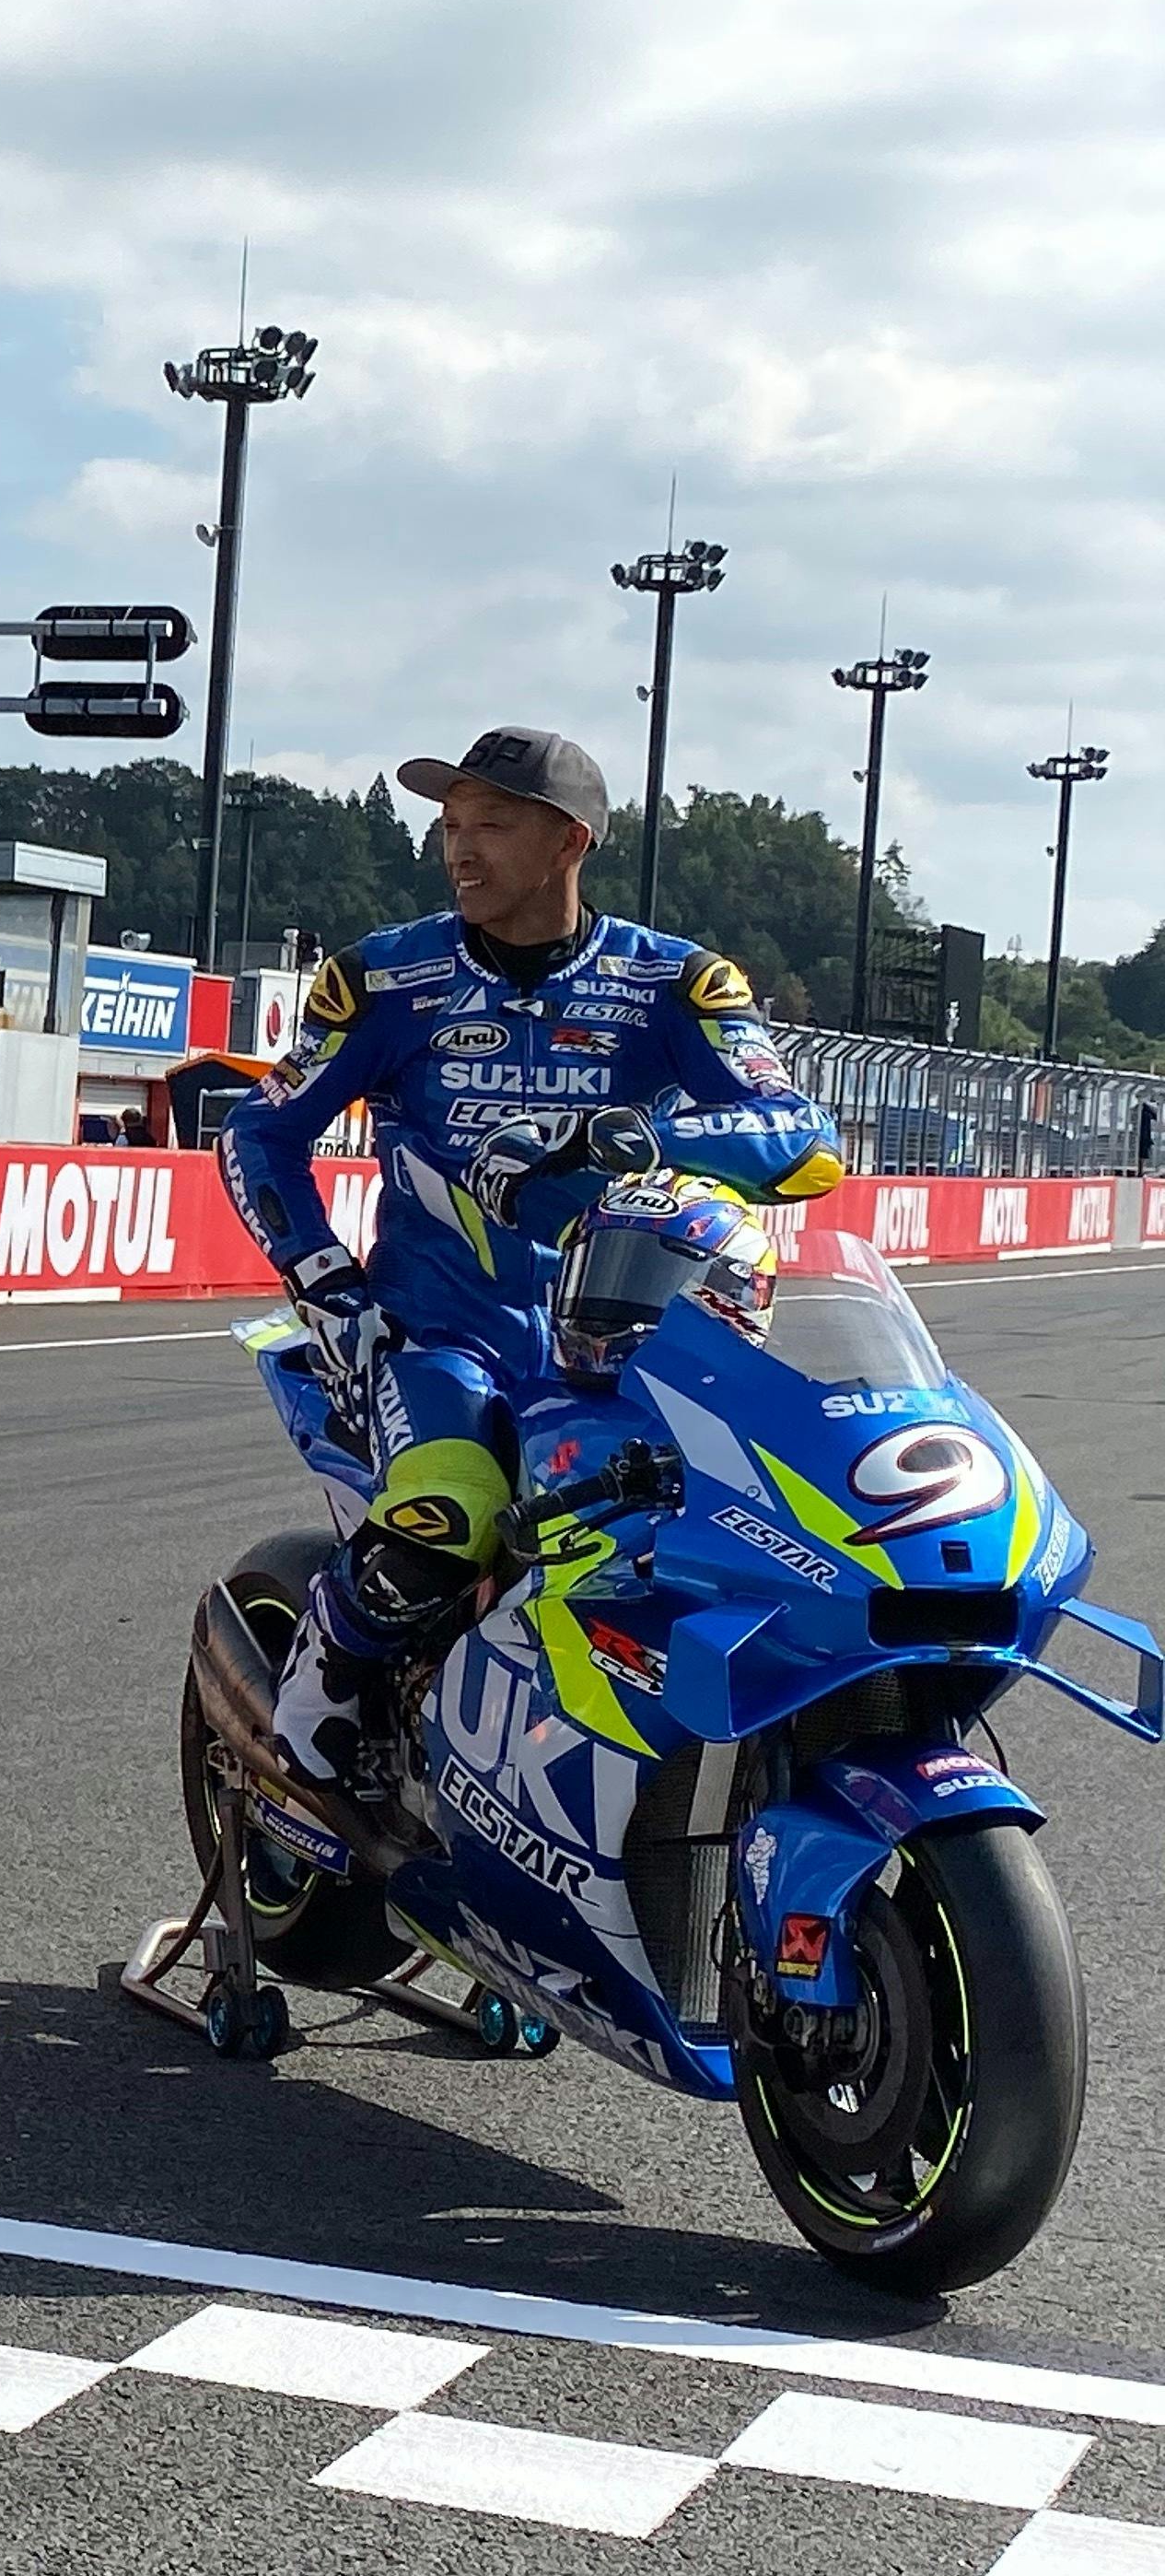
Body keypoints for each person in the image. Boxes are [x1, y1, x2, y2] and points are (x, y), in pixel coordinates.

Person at [218, 725, 844, 1791]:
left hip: (631, 1345)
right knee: (446, 1516)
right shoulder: (382, 977)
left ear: (570, 841)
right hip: (434, 1335)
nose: (461, 849)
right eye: (452, 826)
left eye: (493, 826)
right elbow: (258, 1132)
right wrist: (322, 1280)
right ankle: (318, 1693)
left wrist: (630, 1138)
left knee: (755, 1537)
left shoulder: (678, 983)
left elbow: (805, 1139)